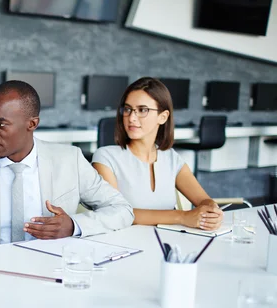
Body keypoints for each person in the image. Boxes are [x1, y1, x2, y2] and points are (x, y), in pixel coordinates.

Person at [0, 80, 134, 252]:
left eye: (1, 124)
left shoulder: (70, 160)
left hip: (51, 271)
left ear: (31, 124)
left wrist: (73, 226)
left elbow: (122, 210)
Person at [91, 77, 223, 230]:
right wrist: (182, 216)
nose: (131, 118)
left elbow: (204, 200)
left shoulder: (172, 158)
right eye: (127, 109)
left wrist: (212, 210)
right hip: (126, 245)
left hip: (168, 242)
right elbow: (116, 212)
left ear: (163, 117)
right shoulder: (105, 157)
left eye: (142, 110)